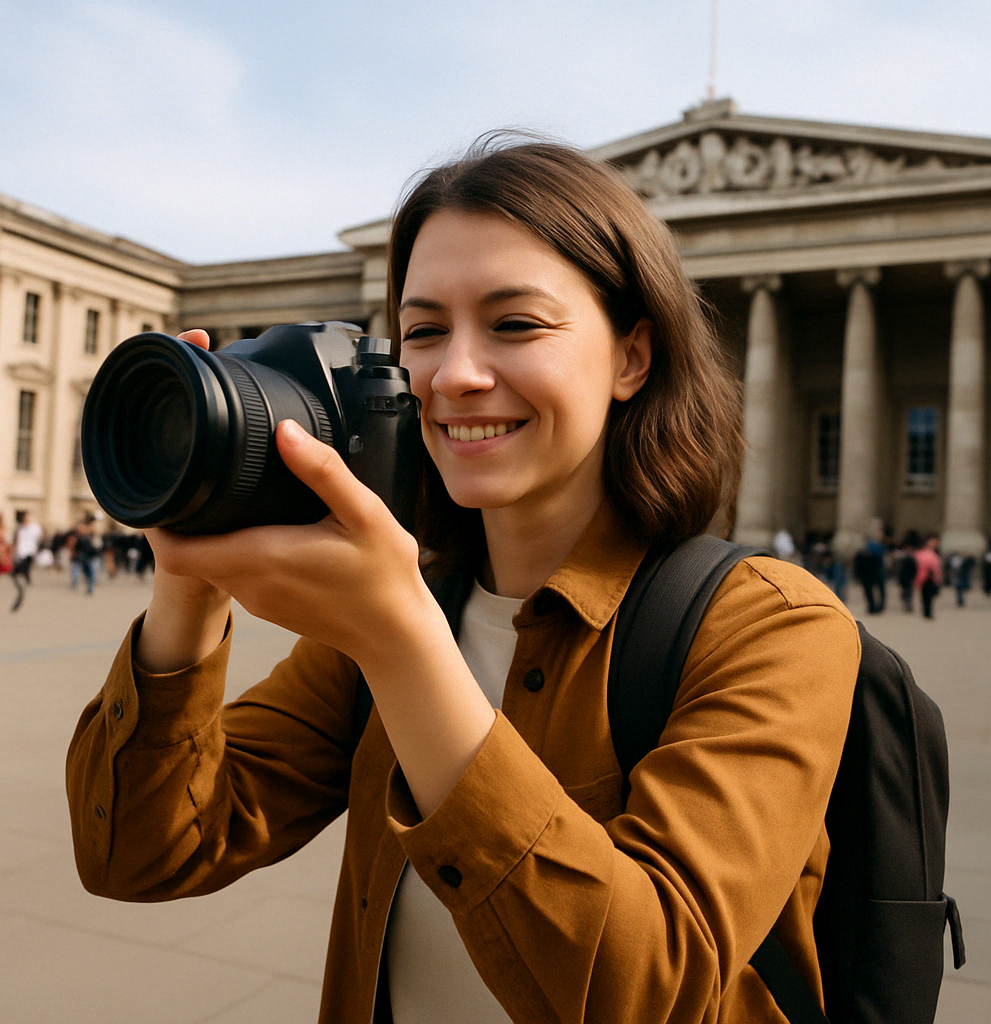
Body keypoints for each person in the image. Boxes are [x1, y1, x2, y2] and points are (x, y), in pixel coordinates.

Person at [66, 140, 860, 1024]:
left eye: (515, 324)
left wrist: (401, 646)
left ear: (633, 357)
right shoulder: (403, 612)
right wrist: (190, 574)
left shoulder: (773, 629)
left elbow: (649, 991)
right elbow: (140, 853)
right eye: (425, 331)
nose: (455, 375)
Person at [10, 509, 44, 612]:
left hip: (30, 551)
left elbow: (40, 535)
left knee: (26, 566)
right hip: (22, 552)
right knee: (21, 568)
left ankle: (26, 579)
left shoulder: (33, 527)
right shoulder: (20, 528)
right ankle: (25, 579)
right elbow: (16, 540)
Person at [914, 534, 943, 619]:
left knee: (929, 596)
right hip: (924, 576)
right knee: (925, 596)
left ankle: (928, 612)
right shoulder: (925, 553)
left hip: (930, 577)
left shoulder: (932, 553)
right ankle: (926, 612)